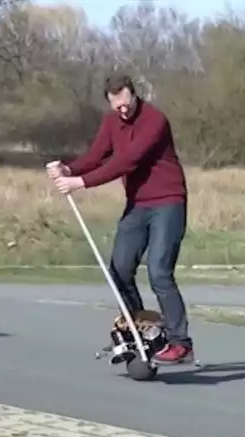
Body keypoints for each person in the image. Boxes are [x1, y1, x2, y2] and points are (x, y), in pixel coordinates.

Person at [46, 73, 193, 364]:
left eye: (126, 104)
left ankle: (181, 343)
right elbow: (98, 155)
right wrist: (69, 170)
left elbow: (127, 161)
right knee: (120, 269)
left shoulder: (155, 120)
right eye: (117, 106)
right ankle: (141, 327)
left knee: (159, 272)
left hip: (168, 202)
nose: (123, 111)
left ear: (134, 95)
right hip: (137, 205)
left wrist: (81, 183)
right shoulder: (112, 122)